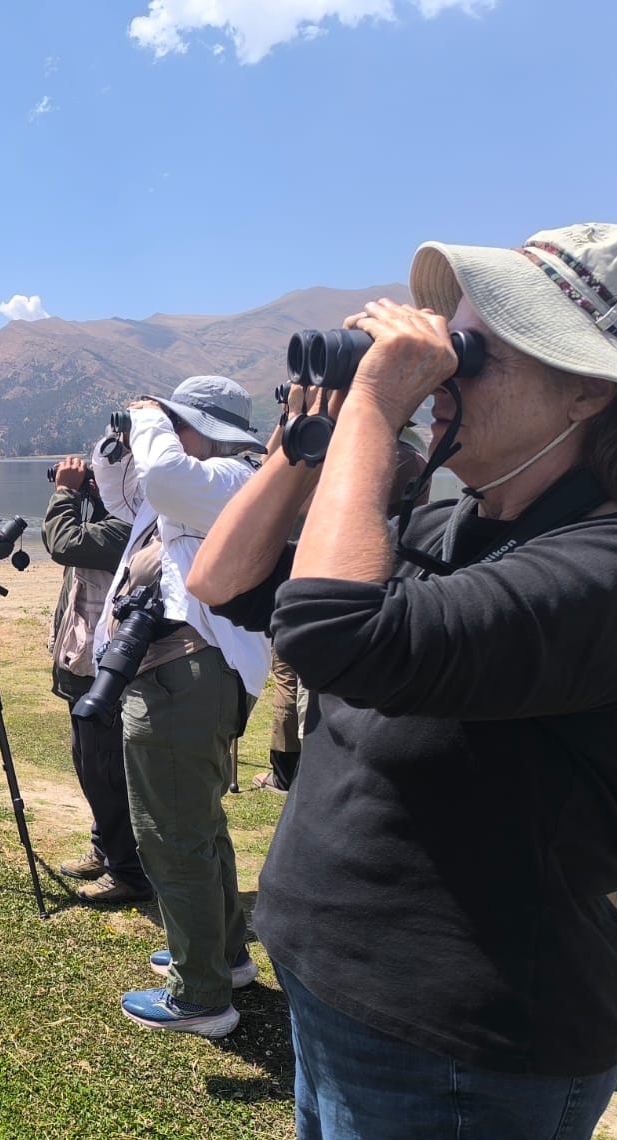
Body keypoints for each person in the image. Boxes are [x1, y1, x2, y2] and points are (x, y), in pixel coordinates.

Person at [186, 223, 617, 1140]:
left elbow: (334, 633)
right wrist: (309, 441)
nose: (440, 372)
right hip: (337, 990)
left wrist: (377, 404)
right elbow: (223, 582)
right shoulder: (447, 519)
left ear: (588, 392)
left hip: (458, 1043)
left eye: (473, 351)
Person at [90, 376, 271, 1038]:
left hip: (185, 678)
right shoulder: (206, 485)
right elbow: (126, 495)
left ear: (201, 428)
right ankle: (222, 955)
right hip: (188, 676)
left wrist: (147, 418)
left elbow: (163, 478)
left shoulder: (229, 477)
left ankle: (200, 995)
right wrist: (118, 441)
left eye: (174, 421)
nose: (162, 430)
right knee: (199, 825)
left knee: (171, 835)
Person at [253, 415, 430, 795]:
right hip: (364, 584)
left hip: (330, 583)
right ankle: (298, 772)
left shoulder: (363, 459)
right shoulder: (410, 458)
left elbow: (290, 504)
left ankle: (292, 773)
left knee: (297, 684)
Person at [43, 450, 150, 904]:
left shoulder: (129, 527)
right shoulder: (110, 522)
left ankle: (128, 871)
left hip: (103, 669)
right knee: (90, 766)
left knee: (106, 772)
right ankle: (106, 849)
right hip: (84, 665)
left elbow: (62, 542)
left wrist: (65, 493)